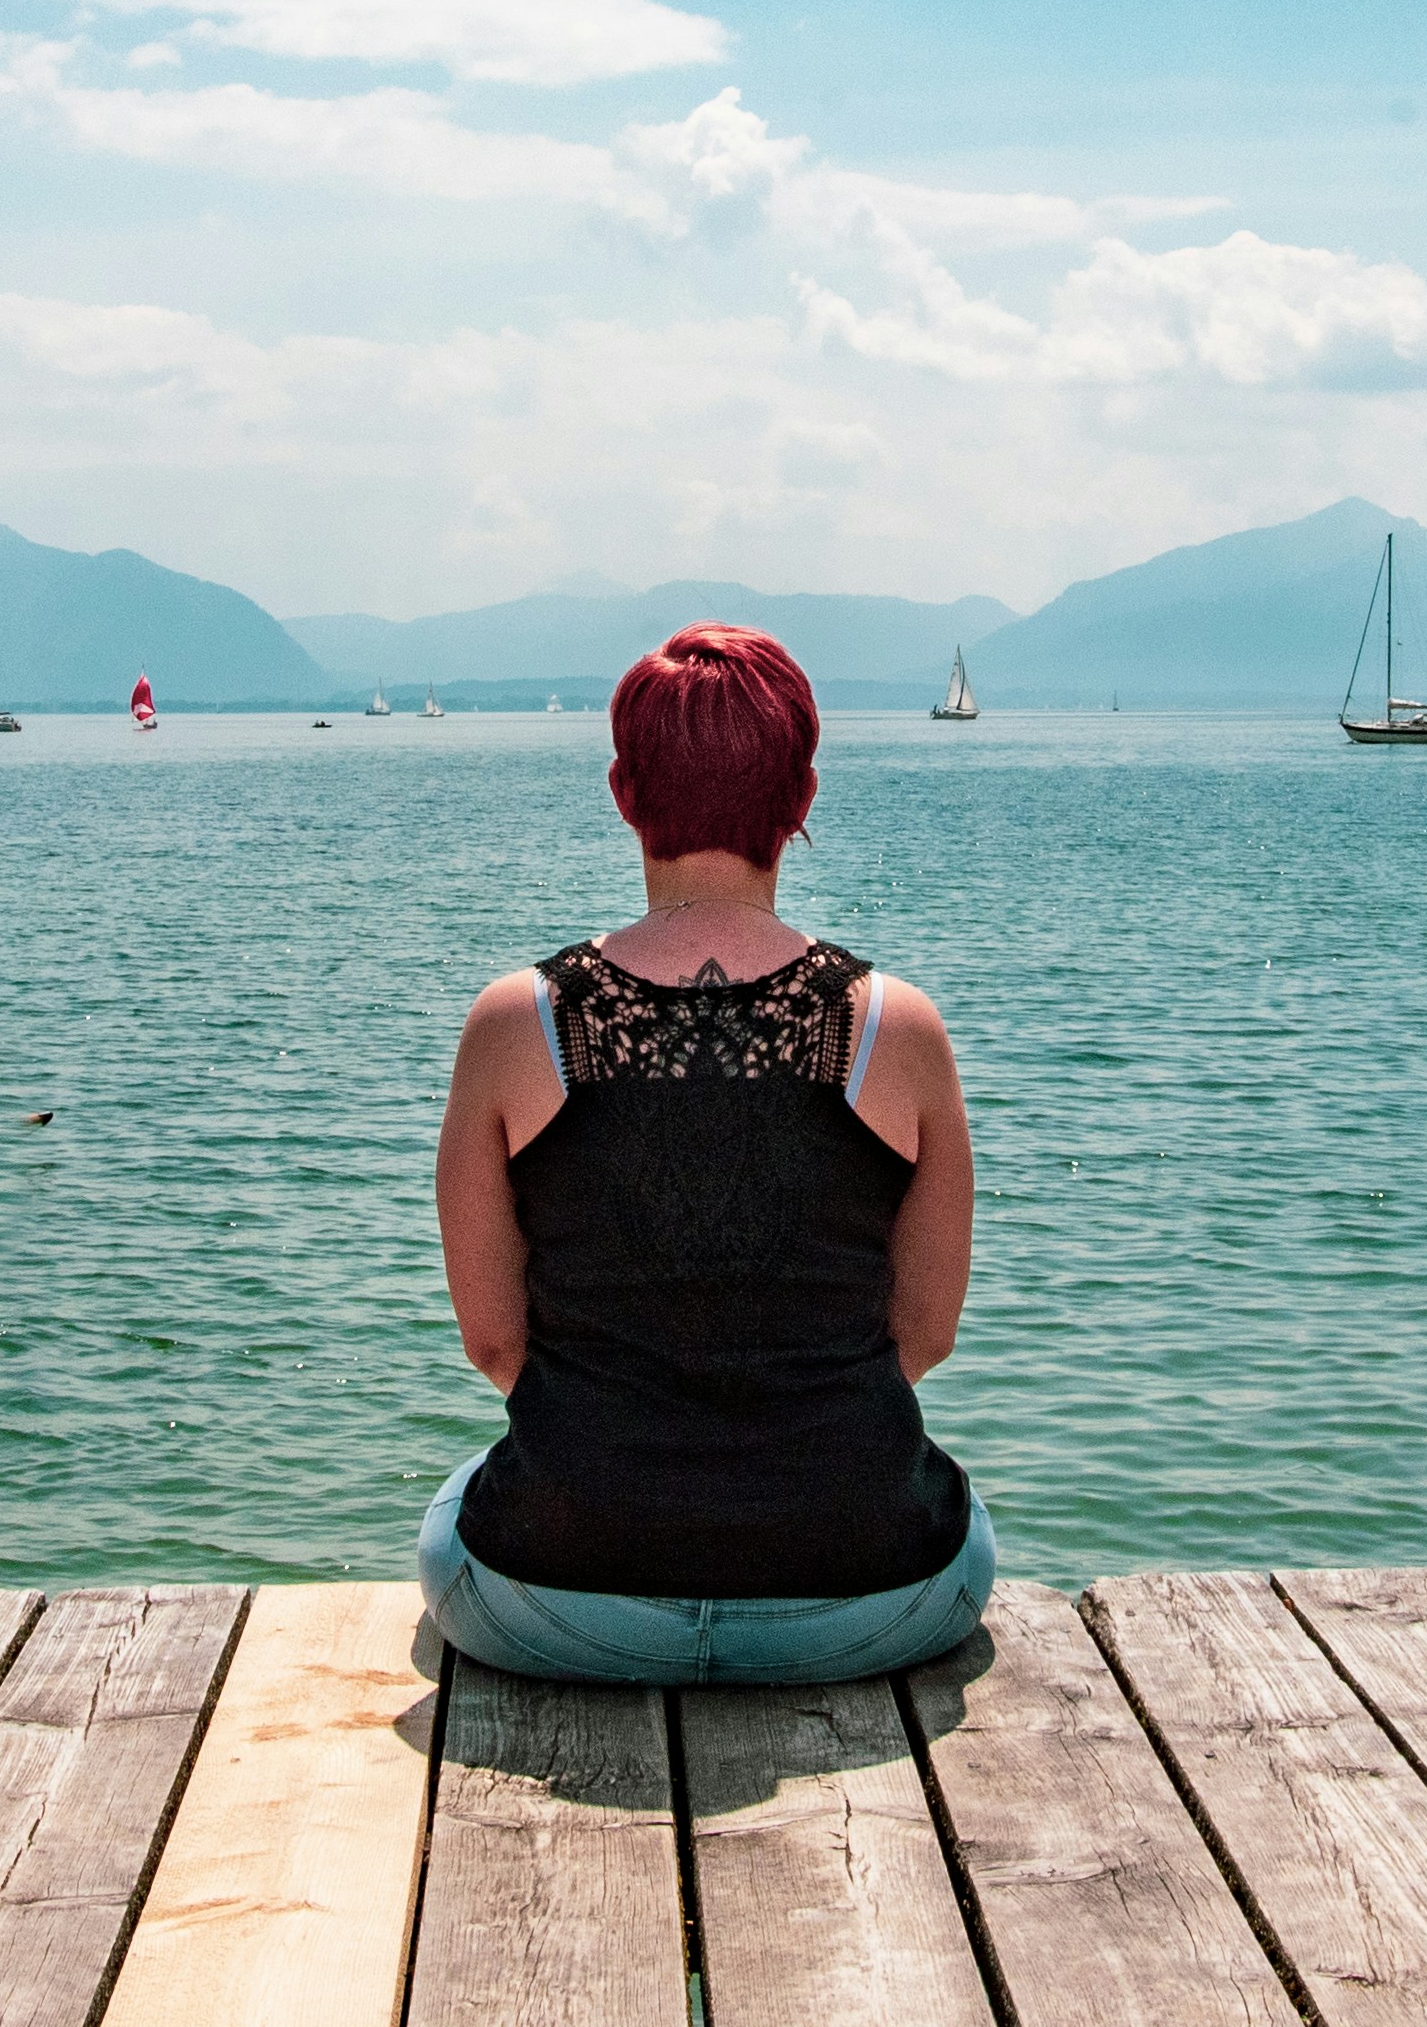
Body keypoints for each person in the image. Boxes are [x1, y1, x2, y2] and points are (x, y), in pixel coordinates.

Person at [422, 625, 997, 1684]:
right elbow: (923, 1335)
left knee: (453, 1507)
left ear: (622, 791)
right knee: (968, 1521)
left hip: (561, 1600)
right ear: (803, 793)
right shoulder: (895, 1028)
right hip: (868, 1595)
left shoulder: (517, 1023)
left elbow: (495, 1346)